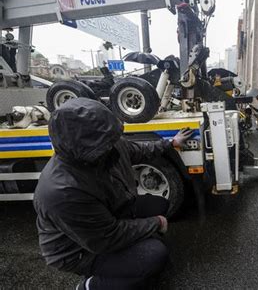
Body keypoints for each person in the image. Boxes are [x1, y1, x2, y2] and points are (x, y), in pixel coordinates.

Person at [33, 98, 193, 290]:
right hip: (78, 250)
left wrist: (170, 143)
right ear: (83, 148)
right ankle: (92, 285)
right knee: (154, 254)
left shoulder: (108, 145)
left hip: (111, 211)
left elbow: (140, 151)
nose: (112, 146)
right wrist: (155, 223)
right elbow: (106, 238)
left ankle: (128, 256)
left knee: (158, 205)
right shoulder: (63, 191)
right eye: (105, 145)